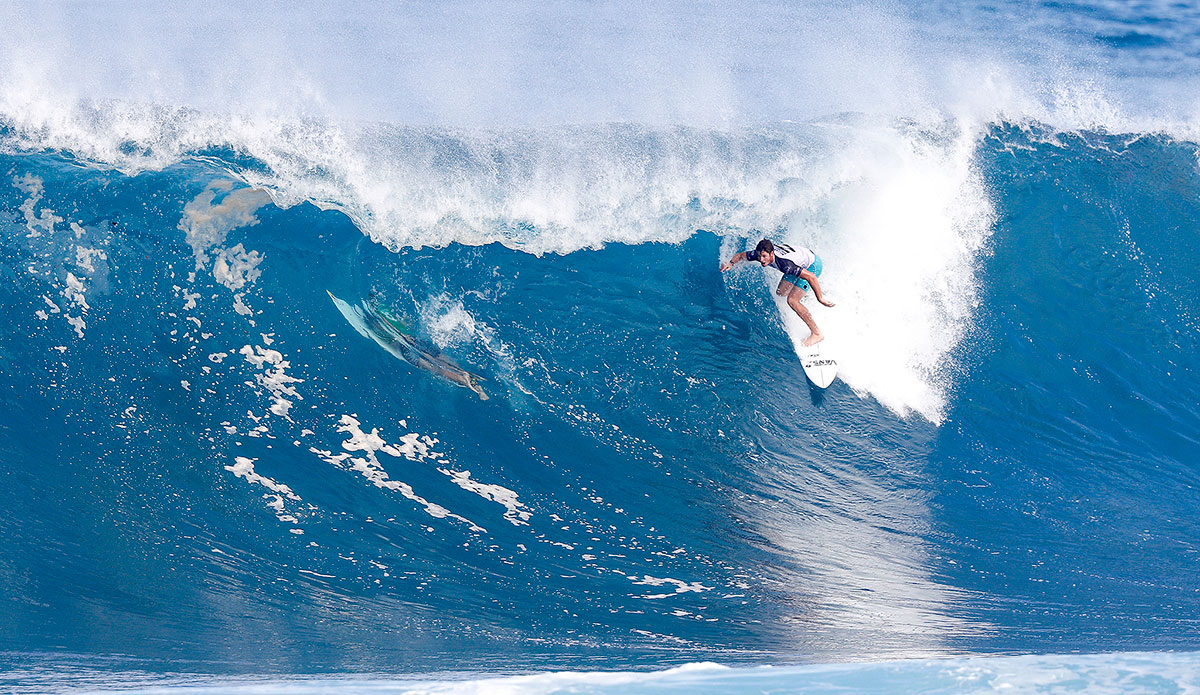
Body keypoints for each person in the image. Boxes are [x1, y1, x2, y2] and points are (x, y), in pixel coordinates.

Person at [720, 238, 834, 346]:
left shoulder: (786, 265)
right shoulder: (760, 254)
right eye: (759, 256)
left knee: (792, 300)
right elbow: (741, 255)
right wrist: (731, 263)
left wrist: (820, 298)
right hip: (800, 260)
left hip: (812, 265)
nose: (761, 260)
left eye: (764, 256)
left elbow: (812, 277)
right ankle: (804, 294)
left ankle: (817, 333)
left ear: (772, 254)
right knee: (781, 292)